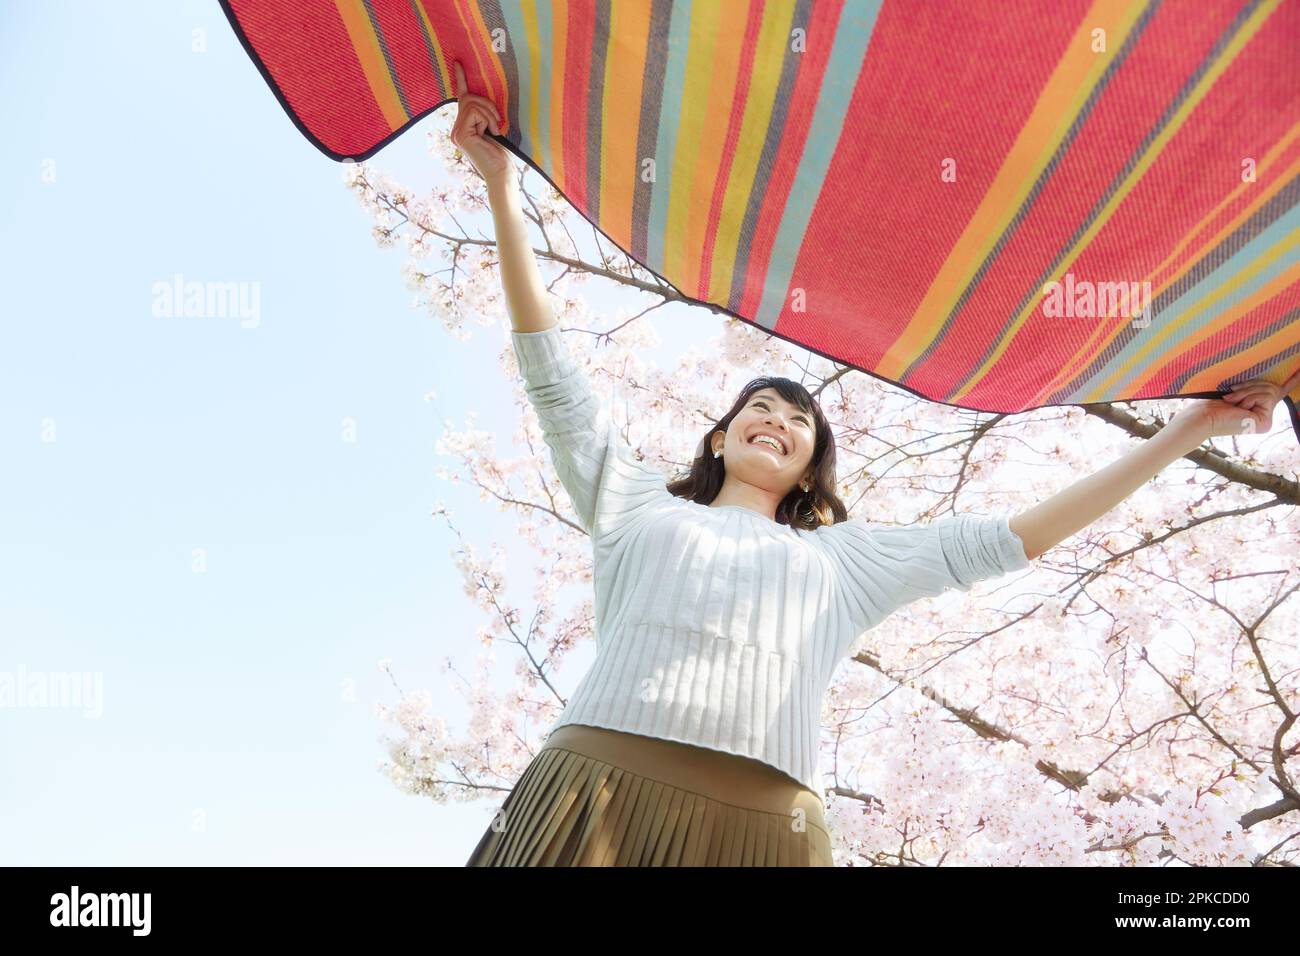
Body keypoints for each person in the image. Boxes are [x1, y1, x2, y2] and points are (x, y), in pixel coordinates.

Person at [446, 62, 1299, 867]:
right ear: (718, 438)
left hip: (767, 826)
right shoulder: (633, 503)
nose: (777, 421)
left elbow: (1010, 539)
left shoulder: (845, 562)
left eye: (798, 420)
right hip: (592, 784)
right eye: (759, 409)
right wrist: (500, 188)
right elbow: (551, 370)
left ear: (813, 463)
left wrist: (1186, 431)